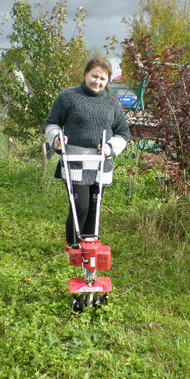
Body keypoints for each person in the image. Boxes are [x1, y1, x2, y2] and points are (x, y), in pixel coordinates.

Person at [45, 57, 130, 247]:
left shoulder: (112, 104)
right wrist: (57, 138)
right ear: (85, 74)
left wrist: (110, 148)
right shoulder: (68, 98)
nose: (97, 81)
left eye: (102, 78)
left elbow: (124, 133)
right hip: (75, 162)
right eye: (94, 76)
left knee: (94, 207)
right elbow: (52, 123)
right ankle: (73, 246)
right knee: (80, 206)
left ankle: (90, 248)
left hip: (101, 164)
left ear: (108, 81)